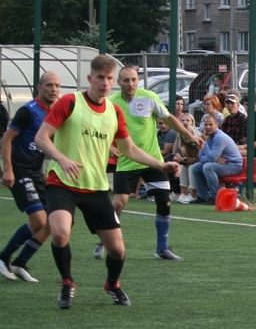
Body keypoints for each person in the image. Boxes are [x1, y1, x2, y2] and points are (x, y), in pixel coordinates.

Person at [33, 54, 180, 309]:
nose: (104, 82)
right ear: (90, 78)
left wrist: (161, 165)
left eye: (108, 78)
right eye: (100, 77)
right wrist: (62, 159)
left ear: (113, 82)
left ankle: (112, 284)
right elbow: (41, 137)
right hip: (62, 182)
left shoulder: (114, 111)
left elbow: (129, 149)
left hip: (95, 187)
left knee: (117, 250)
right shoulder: (70, 102)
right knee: (60, 232)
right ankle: (67, 282)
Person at [106, 64, 192, 261]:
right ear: (119, 82)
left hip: (153, 161)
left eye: (133, 80)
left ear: (138, 81)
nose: (130, 84)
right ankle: (106, 238)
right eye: (126, 80)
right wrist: (110, 147)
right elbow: (103, 128)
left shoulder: (149, 98)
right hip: (127, 161)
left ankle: (162, 248)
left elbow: (169, 118)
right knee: (119, 203)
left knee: (165, 202)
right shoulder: (111, 103)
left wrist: (189, 135)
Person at [1, 72, 61, 282]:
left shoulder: (55, 113)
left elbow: (48, 145)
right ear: (39, 87)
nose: (53, 89)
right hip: (19, 170)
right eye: (49, 85)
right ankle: (3, 257)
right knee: (38, 219)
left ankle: (20, 262)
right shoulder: (28, 111)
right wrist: (8, 169)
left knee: (52, 221)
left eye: (57, 86)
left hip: (36, 173)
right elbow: (6, 140)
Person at [192, 114, 243, 204]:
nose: (208, 127)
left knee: (208, 167)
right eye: (206, 125)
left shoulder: (220, 137)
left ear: (217, 125)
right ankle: (203, 196)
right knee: (195, 167)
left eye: (211, 124)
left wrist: (205, 144)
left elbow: (211, 158)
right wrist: (215, 159)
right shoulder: (208, 136)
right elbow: (201, 157)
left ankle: (216, 197)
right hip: (221, 163)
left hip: (233, 165)